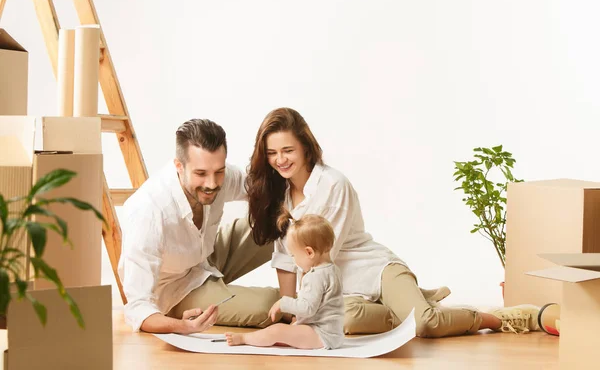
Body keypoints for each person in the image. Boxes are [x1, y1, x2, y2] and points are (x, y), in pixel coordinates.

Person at [245, 108, 540, 338]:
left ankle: (494, 317)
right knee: (345, 321)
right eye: (272, 153)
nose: (280, 160)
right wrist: (288, 310)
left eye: (288, 150)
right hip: (345, 292)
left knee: (425, 324)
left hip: (375, 272)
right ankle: (413, 303)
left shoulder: (333, 185)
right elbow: (286, 258)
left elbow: (322, 259)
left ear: (306, 148)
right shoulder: (277, 194)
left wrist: (301, 314)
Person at [118, 119, 280, 334]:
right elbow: (138, 307)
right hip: (174, 289)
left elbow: (258, 189)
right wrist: (182, 326)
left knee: (279, 220)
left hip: (203, 259)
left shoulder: (217, 175)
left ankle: (319, 284)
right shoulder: (148, 212)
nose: (212, 184)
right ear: (179, 166)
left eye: (219, 171)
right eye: (201, 174)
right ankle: (323, 305)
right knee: (268, 306)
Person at [226, 212, 345, 349]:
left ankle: (244, 338)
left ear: (309, 253)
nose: (293, 260)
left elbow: (307, 309)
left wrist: (283, 303)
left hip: (321, 334)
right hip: (332, 334)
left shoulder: (315, 276)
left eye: (294, 255)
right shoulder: (332, 269)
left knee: (277, 331)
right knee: (286, 333)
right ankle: (264, 338)